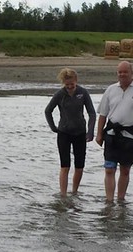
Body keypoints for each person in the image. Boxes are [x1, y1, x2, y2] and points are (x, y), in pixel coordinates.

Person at [95, 61, 133, 203]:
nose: (122, 74)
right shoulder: (110, 90)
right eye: (119, 72)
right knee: (109, 169)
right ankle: (109, 201)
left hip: (130, 136)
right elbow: (102, 114)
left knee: (125, 170)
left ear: (131, 73)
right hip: (111, 134)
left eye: (125, 72)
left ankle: (120, 200)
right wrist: (99, 134)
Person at [45, 68, 96, 196]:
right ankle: (63, 194)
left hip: (80, 133)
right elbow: (48, 111)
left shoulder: (83, 93)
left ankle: (74, 192)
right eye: (67, 85)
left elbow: (92, 113)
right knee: (65, 165)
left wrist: (90, 131)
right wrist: (53, 127)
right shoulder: (60, 94)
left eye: (72, 84)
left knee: (79, 165)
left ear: (76, 81)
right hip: (64, 133)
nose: (69, 87)